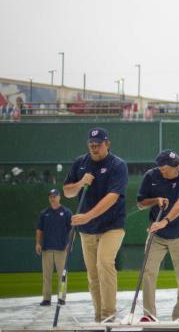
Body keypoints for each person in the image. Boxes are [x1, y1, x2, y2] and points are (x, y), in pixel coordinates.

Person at [62, 127, 128, 322]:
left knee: (104, 264)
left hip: (112, 226)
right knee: (93, 275)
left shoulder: (118, 165)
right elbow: (67, 192)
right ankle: (99, 317)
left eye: (98, 145)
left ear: (107, 144)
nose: (94, 148)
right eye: (91, 145)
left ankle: (109, 316)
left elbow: (112, 197)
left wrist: (88, 216)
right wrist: (80, 183)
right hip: (87, 230)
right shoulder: (80, 163)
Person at [136, 150, 179, 322]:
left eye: (177, 164)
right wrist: (156, 200)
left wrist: (165, 221)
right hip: (157, 235)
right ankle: (149, 315)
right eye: (173, 165)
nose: (178, 167)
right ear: (162, 169)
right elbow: (140, 203)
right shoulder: (150, 176)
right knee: (147, 272)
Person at [35, 188, 72, 306]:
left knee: (62, 275)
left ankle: (61, 298)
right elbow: (39, 229)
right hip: (47, 249)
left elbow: (71, 230)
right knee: (46, 276)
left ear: (59, 197)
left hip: (61, 248)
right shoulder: (44, 213)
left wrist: (69, 243)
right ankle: (46, 299)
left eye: (54, 196)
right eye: (50, 196)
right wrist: (38, 243)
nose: (52, 198)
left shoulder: (66, 212)